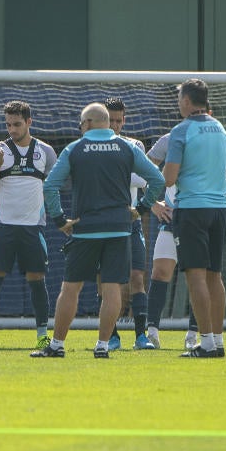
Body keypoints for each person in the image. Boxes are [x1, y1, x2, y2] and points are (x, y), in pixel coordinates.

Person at [31, 103, 164, 359]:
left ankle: (57, 345)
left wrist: (60, 220)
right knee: (113, 287)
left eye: (82, 124)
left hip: (85, 230)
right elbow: (157, 179)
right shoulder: (127, 147)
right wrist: (142, 208)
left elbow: (50, 186)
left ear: (88, 123)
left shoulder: (75, 149)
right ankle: (103, 346)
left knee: (71, 288)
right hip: (119, 229)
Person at [144, 133, 226, 350]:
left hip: (200, 218)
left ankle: (195, 335)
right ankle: (151, 332)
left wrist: (224, 203)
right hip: (173, 219)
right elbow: (144, 170)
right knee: (160, 271)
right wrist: (154, 204)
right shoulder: (172, 139)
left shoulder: (222, 140)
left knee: (202, 275)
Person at [0, 101, 57, 350]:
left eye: (17, 124)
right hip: (3, 227)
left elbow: (53, 187)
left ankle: (43, 334)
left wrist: (59, 217)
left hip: (33, 227)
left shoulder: (46, 151)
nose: (12, 129)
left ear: (29, 122)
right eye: (8, 124)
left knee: (37, 280)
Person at [161, 79, 226, 358]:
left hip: (192, 209)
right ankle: (218, 339)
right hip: (219, 209)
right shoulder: (222, 130)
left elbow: (169, 177)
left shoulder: (181, 131)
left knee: (196, 277)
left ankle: (206, 343)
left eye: (180, 98)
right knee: (215, 276)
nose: (179, 103)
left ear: (187, 101)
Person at [101, 97, 153, 350]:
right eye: (110, 120)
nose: (115, 125)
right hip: (103, 222)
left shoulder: (134, 145)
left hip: (129, 222)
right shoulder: (91, 146)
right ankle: (111, 337)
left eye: (119, 120)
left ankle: (141, 336)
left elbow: (144, 177)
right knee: (107, 281)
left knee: (137, 278)